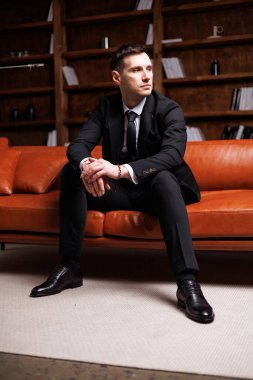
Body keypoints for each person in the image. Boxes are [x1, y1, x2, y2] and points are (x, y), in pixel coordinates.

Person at [30, 43, 214, 323]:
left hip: (159, 192)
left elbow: (172, 155)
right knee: (72, 172)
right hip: (122, 193)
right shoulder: (106, 107)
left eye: (149, 69)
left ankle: (187, 283)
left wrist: (119, 170)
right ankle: (70, 268)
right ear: (117, 78)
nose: (147, 76)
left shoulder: (168, 109)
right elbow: (79, 145)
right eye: (137, 70)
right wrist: (88, 166)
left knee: (164, 177)